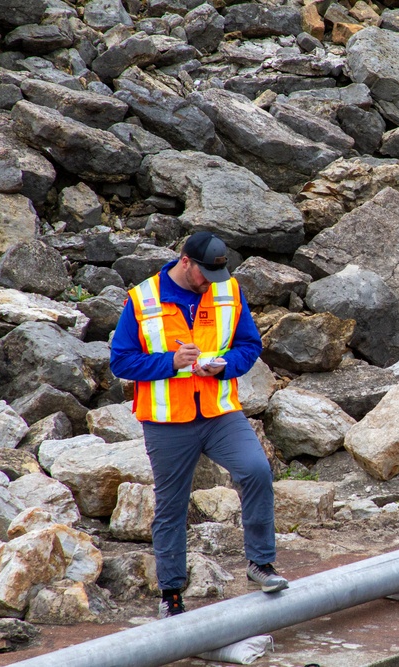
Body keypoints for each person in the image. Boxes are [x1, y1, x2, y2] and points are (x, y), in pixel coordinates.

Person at [110, 231, 287, 619]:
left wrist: (224, 368)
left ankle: (261, 565)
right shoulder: (142, 299)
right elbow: (121, 361)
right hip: (167, 420)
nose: (210, 282)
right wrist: (170, 364)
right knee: (171, 506)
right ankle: (171, 593)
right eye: (203, 273)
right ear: (185, 261)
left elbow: (249, 345)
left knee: (256, 470)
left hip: (219, 410)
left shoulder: (228, 289)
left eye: (216, 274)